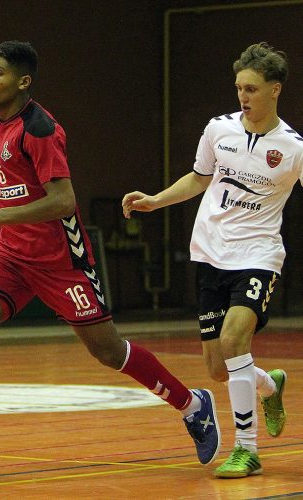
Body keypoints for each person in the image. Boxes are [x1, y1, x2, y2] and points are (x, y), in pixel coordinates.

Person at [0, 40, 220, 478]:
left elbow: (62, 201)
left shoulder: (40, 129)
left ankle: (192, 404)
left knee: (109, 352)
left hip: (60, 260)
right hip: (11, 255)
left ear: (23, 81)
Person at [123, 42, 302, 478]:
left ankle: (246, 448)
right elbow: (199, 178)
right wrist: (156, 200)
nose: (243, 96)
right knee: (219, 367)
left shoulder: (293, 147)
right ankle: (267, 383)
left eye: (253, 88)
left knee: (235, 338)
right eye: (239, 87)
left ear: (275, 90)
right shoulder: (218, 129)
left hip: (258, 254)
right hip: (209, 252)